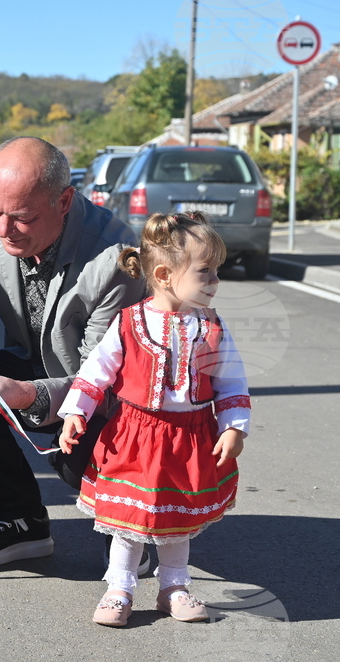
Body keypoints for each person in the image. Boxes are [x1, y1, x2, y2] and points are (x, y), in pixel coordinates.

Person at [0, 137, 144, 567]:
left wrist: (27, 394)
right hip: (35, 365)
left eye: (22, 218)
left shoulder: (116, 256)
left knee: (79, 450)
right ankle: (20, 518)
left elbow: (98, 379)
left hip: (108, 394)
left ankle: (128, 525)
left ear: (64, 201)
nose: (3, 230)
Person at [57, 212, 249, 627]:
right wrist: (75, 412)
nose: (215, 281)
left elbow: (231, 378)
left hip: (191, 437)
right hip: (135, 435)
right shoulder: (130, 322)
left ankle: (174, 586)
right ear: (164, 274)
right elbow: (97, 371)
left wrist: (233, 424)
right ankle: (120, 587)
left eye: (216, 270)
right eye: (205, 272)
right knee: (131, 519)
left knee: (177, 518)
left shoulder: (212, 327)